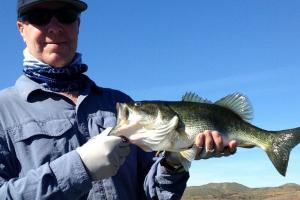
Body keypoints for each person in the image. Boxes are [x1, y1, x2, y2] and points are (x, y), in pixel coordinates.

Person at [0, 0, 237, 199]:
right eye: (40, 16)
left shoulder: (122, 103)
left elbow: (153, 193)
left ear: (78, 25)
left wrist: (174, 162)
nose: (54, 27)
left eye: (66, 15)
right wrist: (78, 168)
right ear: (21, 28)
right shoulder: (3, 110)